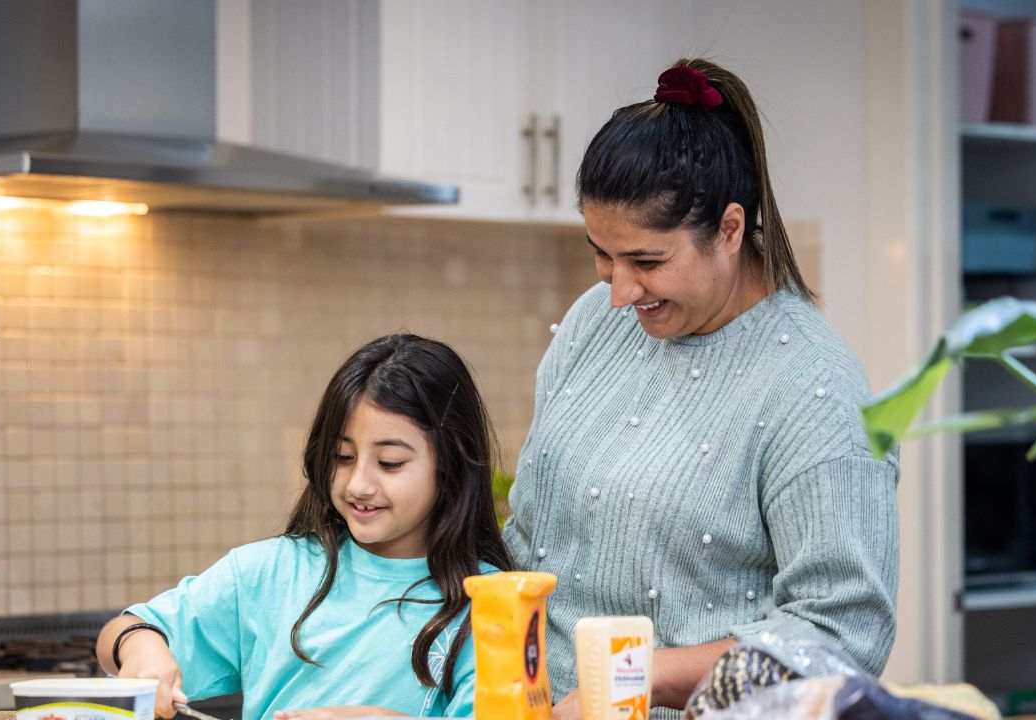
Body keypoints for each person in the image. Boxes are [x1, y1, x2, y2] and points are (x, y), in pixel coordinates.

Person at [500, 58, 900, 720]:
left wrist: (634, 677)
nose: (620, 291)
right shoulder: (592, 323)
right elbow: (530, 538)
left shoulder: (815, 388)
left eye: (648, 261)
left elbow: (843, 639)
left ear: (731, 229)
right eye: (603, 253)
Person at [96, 334, 513, 720]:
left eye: (390, 463)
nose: (358, 484)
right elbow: (124, 629)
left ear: (453, 464)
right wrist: (142, 651)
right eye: (343, 457)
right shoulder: (270, 573)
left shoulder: (493, 604)